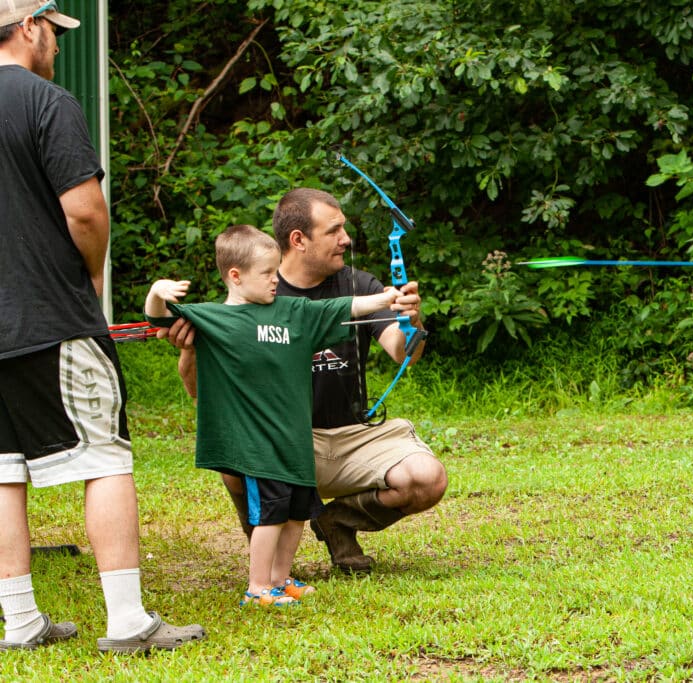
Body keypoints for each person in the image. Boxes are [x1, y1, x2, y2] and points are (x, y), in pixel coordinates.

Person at [0, 0, 204, 652]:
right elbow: (85, 213)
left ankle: (22, 620)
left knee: (2, 471)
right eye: (54, 34)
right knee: (105, 456)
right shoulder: (47, 103)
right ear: (29, 27)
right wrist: (89, 277)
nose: (56, 48)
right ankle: (126, 619)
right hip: (51, 319)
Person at [165, 188, 447, 573]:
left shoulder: (359, 286)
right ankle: (267, 562)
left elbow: (403, 353)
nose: (346, 239)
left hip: (352, 437)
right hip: (282, 440)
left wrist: (410, 318)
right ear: (298, 239)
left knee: (427, 478)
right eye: (334, 231)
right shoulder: (250, 296)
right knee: (234, 460)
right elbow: (200, 392)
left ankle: (337, 522)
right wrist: (190, 353)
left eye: (343, 229)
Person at [145, 224, 410, 605]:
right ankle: (257, 587)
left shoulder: (292, 311)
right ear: (235, 276)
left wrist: (387, 298)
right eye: (267, 274)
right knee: (269, 516)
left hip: (295, 441)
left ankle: (280, 578)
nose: (275, 281)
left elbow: (346, 306)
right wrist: (157, 292)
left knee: (296, 515)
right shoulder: (215, 319)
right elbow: (159, 318)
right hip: (258, 447)